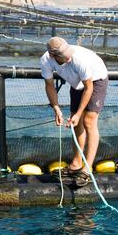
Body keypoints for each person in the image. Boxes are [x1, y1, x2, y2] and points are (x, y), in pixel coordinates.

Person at [41, 37, 108, 178]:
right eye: (65, 56)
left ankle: (87, 169)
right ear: (53, 56)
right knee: (75, 123)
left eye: (68, 53)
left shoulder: (78, 59)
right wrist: (56, 109)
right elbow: (49, 85)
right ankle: (76, 164)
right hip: (76, 83)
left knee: (88, 121)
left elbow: (89, 88)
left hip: (95, 79)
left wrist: (79, 114)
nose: (69, 58)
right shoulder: (46, 60)